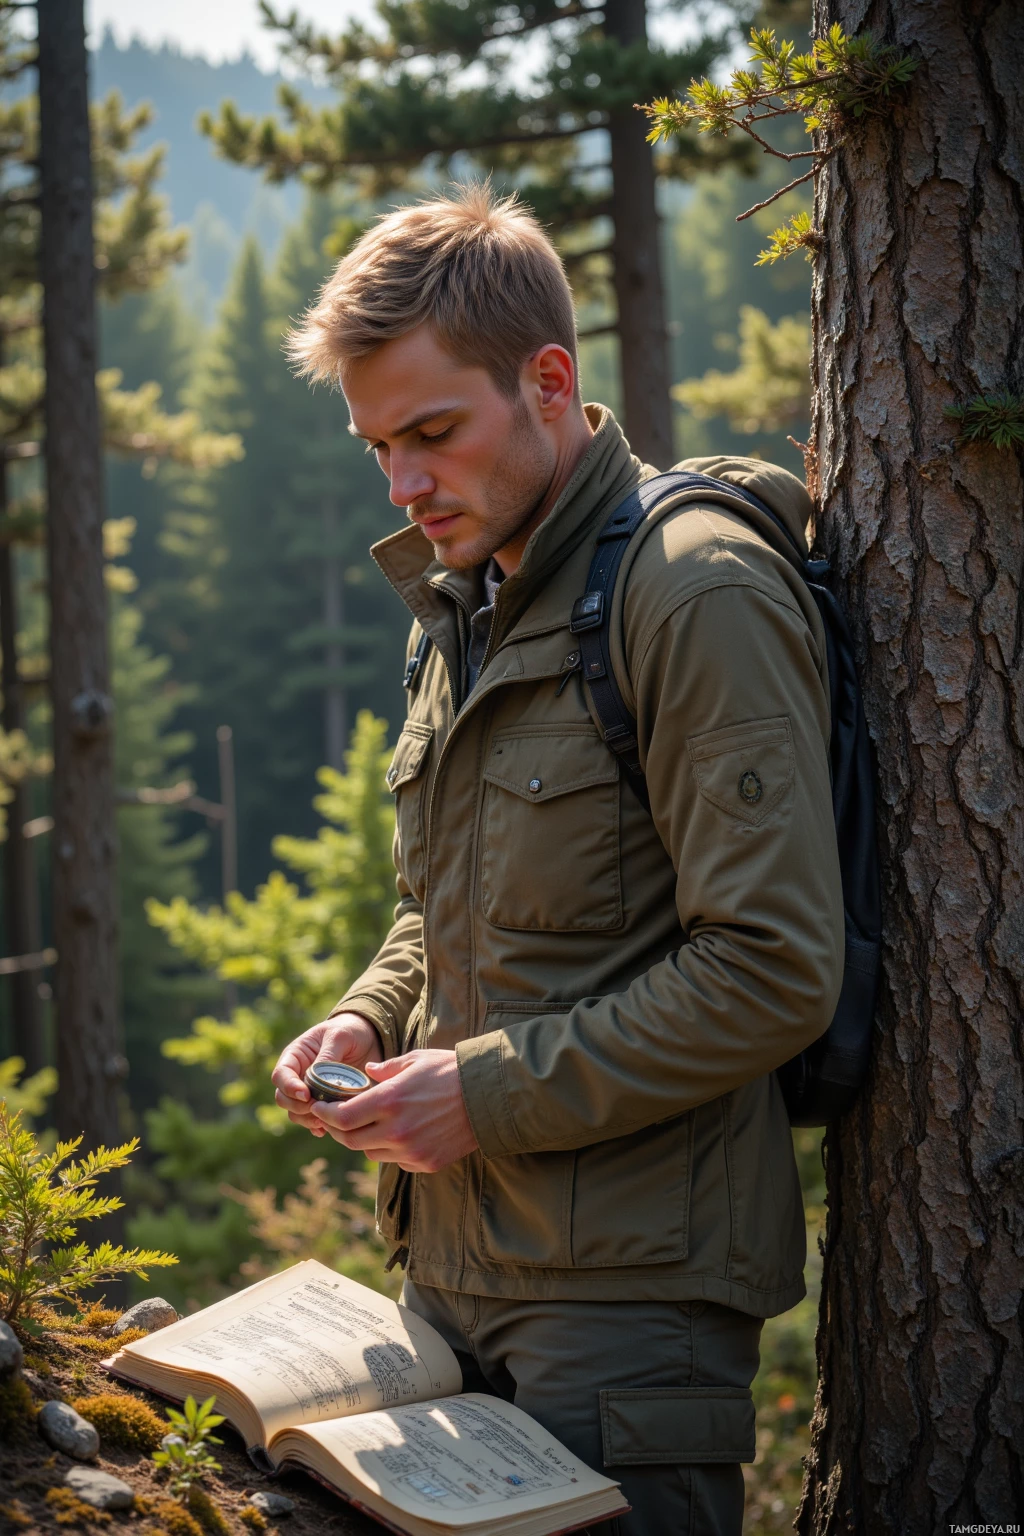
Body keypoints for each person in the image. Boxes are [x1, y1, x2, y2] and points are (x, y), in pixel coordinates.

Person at [272, 184, 844, 1536]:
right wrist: (365, 1012)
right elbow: (438, 909)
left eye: (432, 433)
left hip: (631, 1315)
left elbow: (774, 970)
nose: (406, 485)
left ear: (547, 382)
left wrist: (481, 1093)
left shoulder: (690, 591)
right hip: (450, 1277)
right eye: (376, 446)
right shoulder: (464, 597)